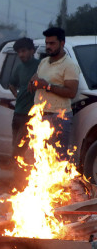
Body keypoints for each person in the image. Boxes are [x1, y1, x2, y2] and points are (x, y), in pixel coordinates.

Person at [28, 27, 79, 160]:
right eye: (47, 43)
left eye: (52, 43)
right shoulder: (44, 62)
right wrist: (33, 83)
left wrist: (47, 86)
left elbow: (72, 92)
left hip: (59, 117)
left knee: (58, 159)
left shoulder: (69, 65)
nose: (48, 47)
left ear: (62, 43)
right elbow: (37, 79)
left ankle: (61, 181)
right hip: (41, 116)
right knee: (40, 157)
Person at [8, 38, 40, 164]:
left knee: (19, 149)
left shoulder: (40, 65)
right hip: (18, 113)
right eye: (19, 52)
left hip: (31, 115)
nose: (21, 55)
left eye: (24, 51)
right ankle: (17, 178)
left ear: (32, 51)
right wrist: (18, 95)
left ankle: (19, 179)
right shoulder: (19, 68)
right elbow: (11, 84)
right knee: (16, 146)